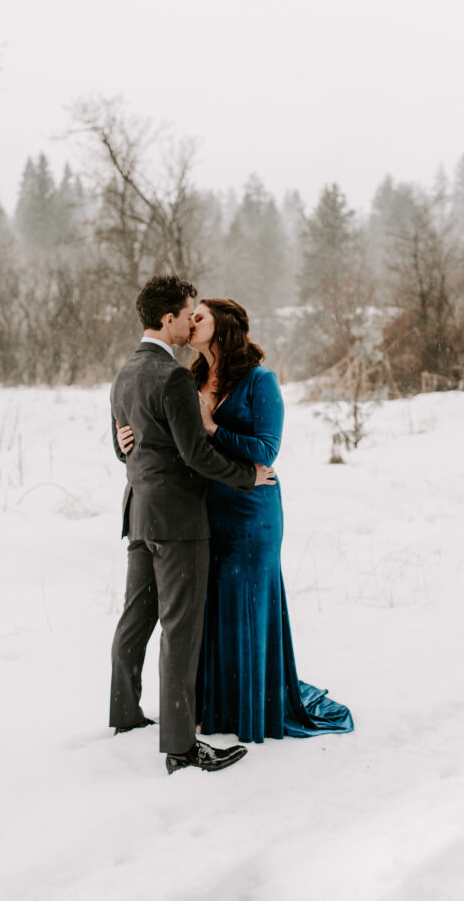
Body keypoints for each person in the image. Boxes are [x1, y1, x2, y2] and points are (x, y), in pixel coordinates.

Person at [118, 297, 354, 743]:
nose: (191, 322)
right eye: (189, 316)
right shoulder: (188, 378)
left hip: (251, 508)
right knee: (211, 605)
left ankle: (252, 707)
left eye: (199, 316)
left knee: (245, 601)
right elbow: (173, 441)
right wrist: (125, 436)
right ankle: (217, 706)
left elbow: (266, 451)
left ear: (222, 325)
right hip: (203, 508)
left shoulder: (260, 382)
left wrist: (213, 429)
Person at [109, 276, 276, 775]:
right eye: (186, 313)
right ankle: (181, 749)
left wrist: (124, 447)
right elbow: (196, 455)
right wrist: (249, 475)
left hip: (139, 513)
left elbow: (123, 446)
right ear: (168, 320)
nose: (190, 321)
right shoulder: (173, 376)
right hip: (178, 520)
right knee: (181, 632)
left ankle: (124, 712)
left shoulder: (125, 372)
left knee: (136, 619)